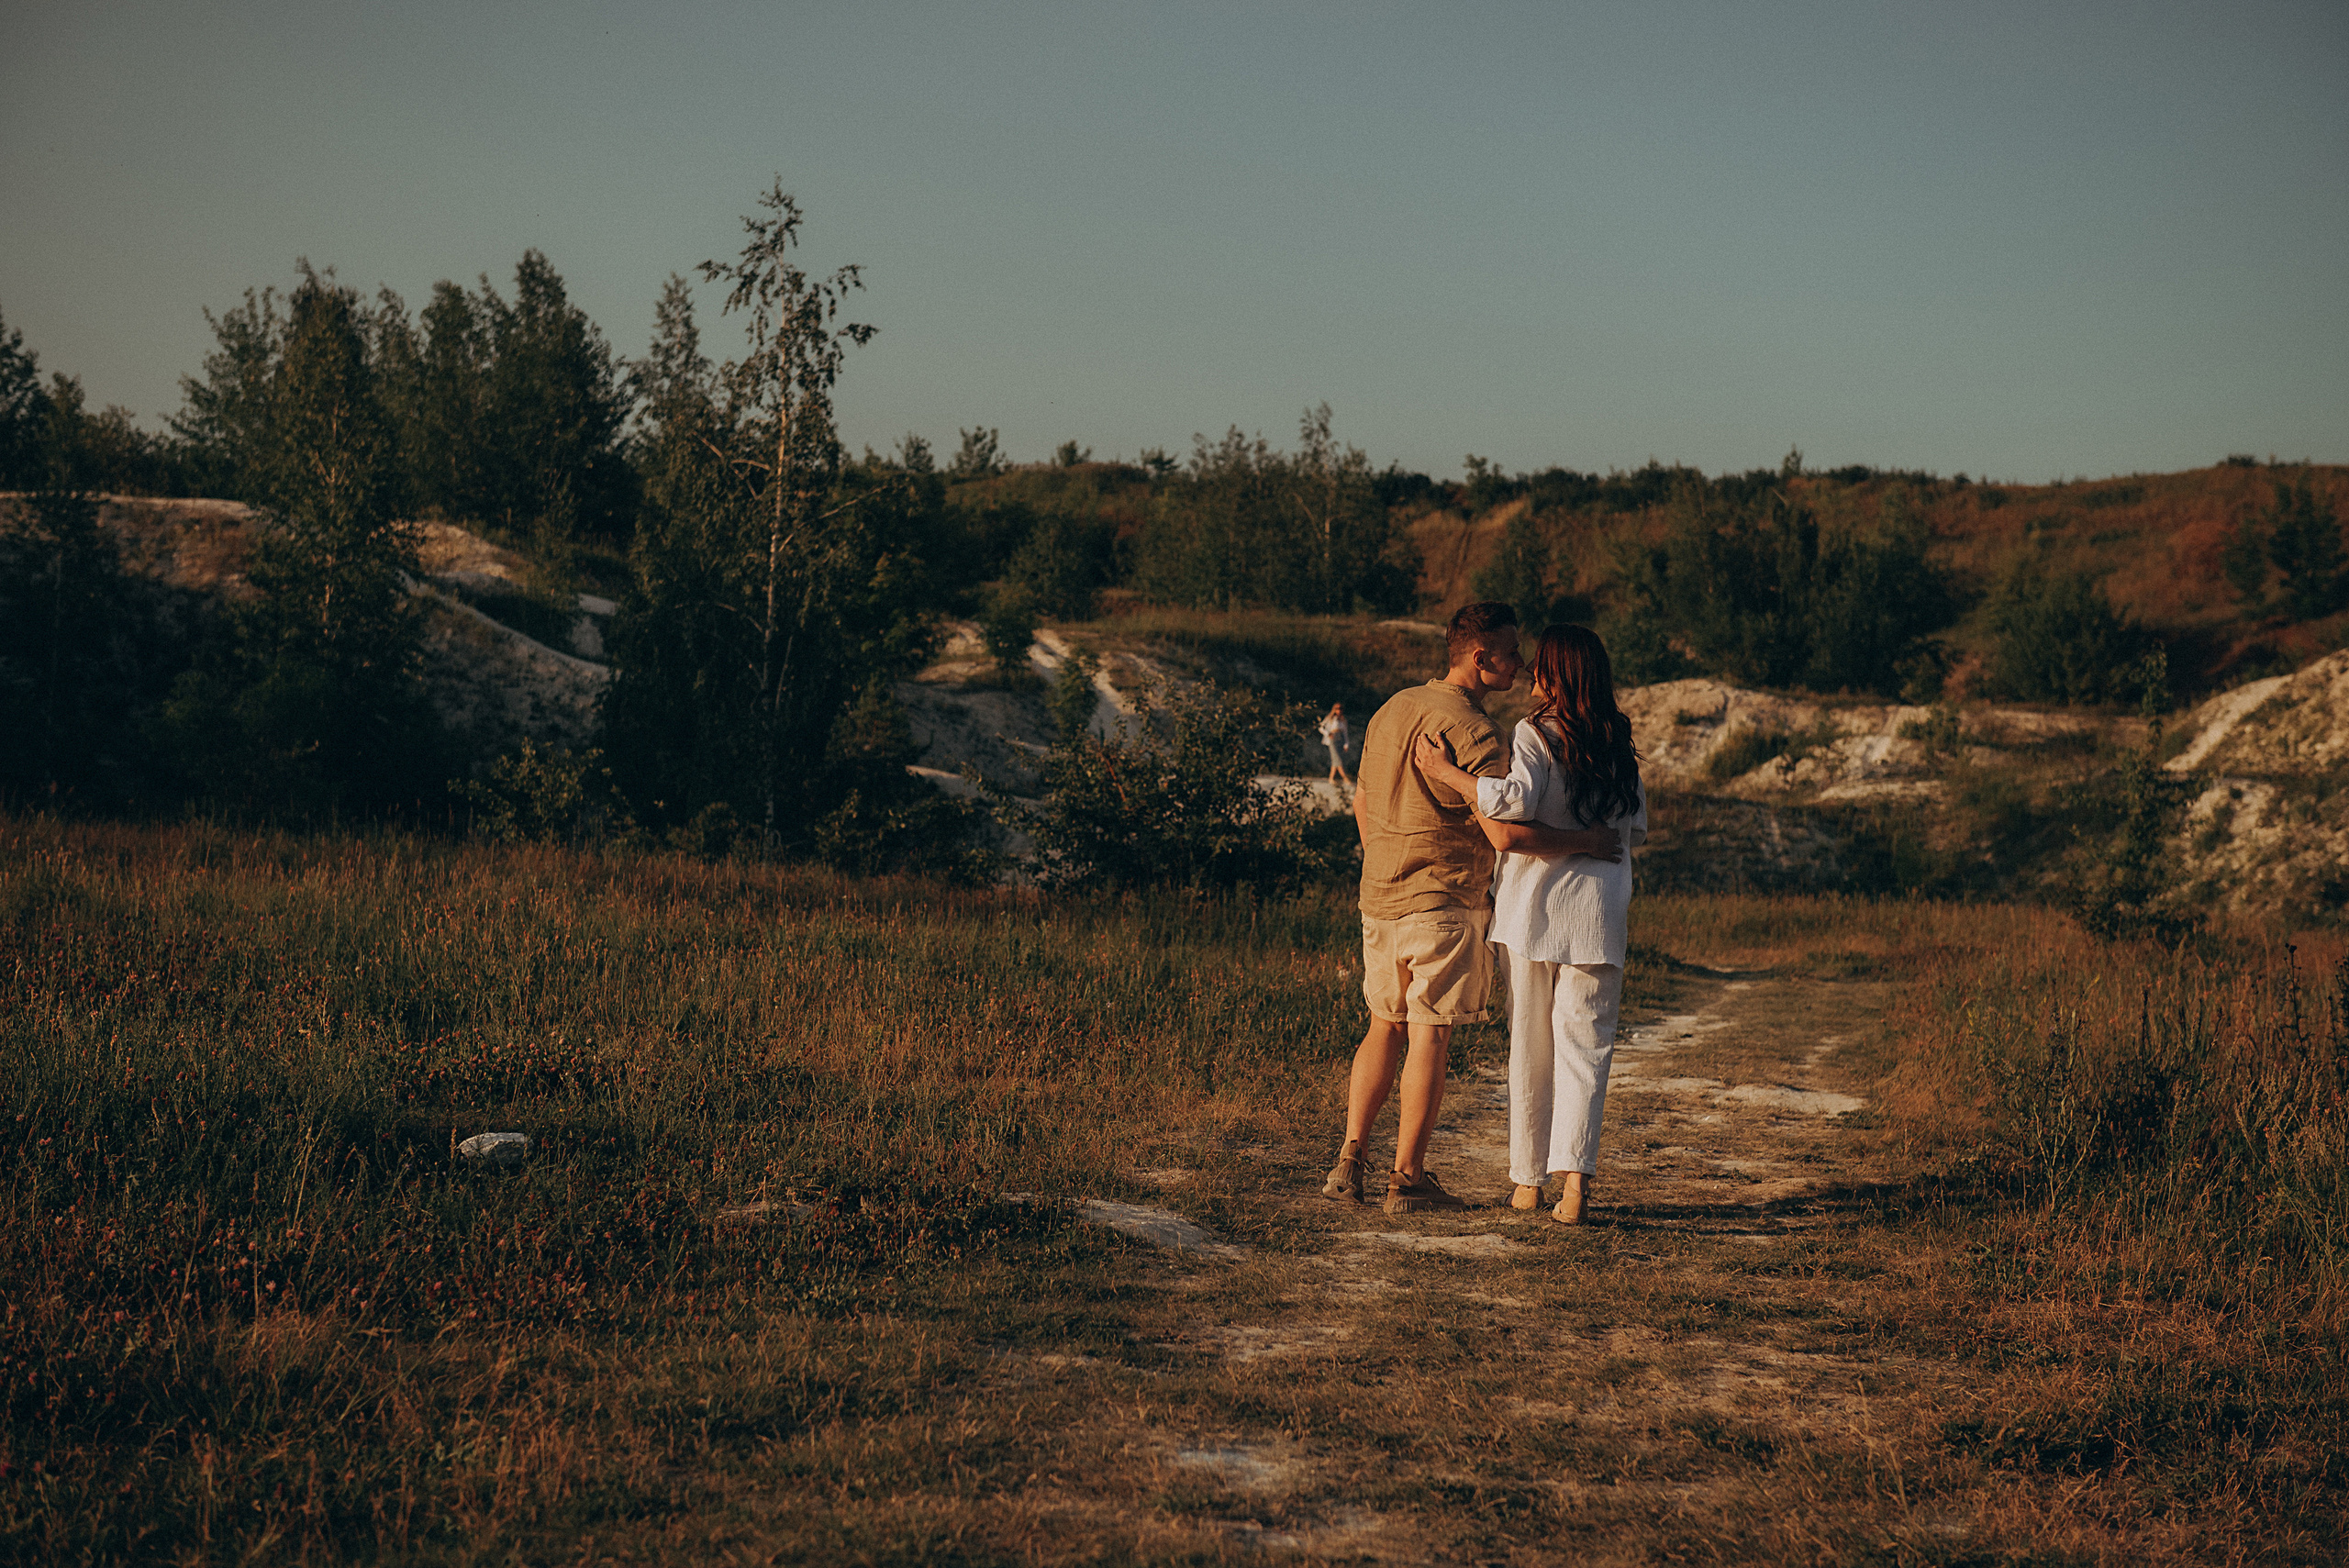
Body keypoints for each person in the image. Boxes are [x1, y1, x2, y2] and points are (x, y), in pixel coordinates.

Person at [1323, 603, 1623, 1216]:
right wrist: (1586, 842)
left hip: (1379, 893)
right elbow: (1507, 834)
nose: (1523, 664)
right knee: (1430, 1034)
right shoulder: (1475, 733)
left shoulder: (1390, 710)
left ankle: (1351, 1156)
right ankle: (1407, 1176)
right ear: (1481, 658)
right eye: (1513, 653)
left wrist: (1385, 852)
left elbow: (1359, 800)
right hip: (1443, 899)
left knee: (1383, 1024)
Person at [1413, 624, 1646, 1225]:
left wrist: (1450, 774)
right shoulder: (1618, 739)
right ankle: (1575, 1187)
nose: (1533, 673)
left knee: (1530, 1048)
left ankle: (1527, 1182)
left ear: (1554, 674)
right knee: (1586, 1049)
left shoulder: (1535, 733)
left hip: (1534, 912)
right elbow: (1633, 827)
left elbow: (1510, 803)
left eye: (1540, 665)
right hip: (1597, 915)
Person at [1318, 703, 1352, 787]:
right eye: (1337, 709)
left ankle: (1331, 778)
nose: (1339, 710)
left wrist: (1346, 744)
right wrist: (1327, 733)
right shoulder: (1330, 718)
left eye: (1340, 709)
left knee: (1335, 760)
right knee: (1338, 759)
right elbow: (1320, 727)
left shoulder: (1343, 720)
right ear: (1334, 709)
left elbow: (1345, 733)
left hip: (1340, 739)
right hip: (1333, 738)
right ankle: (1345, 778)